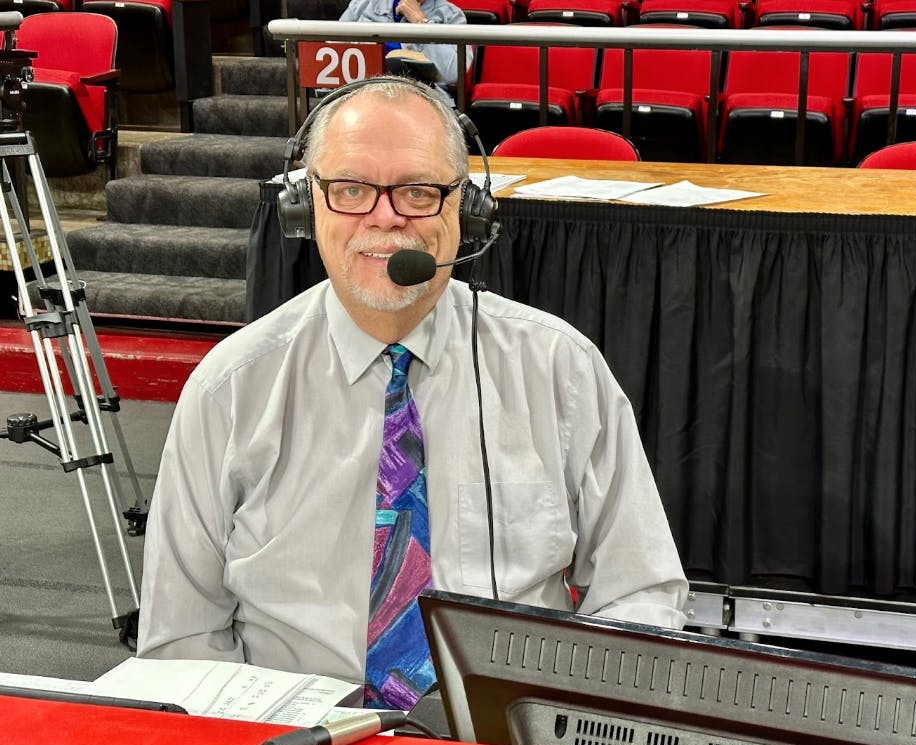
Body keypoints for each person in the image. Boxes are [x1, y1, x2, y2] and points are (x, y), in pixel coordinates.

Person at [136, 77, 689, 706]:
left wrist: (568, 728)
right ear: (303, 204)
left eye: (419, 190)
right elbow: (182, 636)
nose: (385, 216)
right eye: (349, 189)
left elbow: (641, 592)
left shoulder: (559, 369)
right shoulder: (232, 387)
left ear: (468, 208)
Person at [338, 0, 473, 89]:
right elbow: (333, 53)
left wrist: (421, 21)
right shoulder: (362, 5)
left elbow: (453, 73)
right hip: (361, 91)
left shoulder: (451, 15)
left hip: (424, 97)